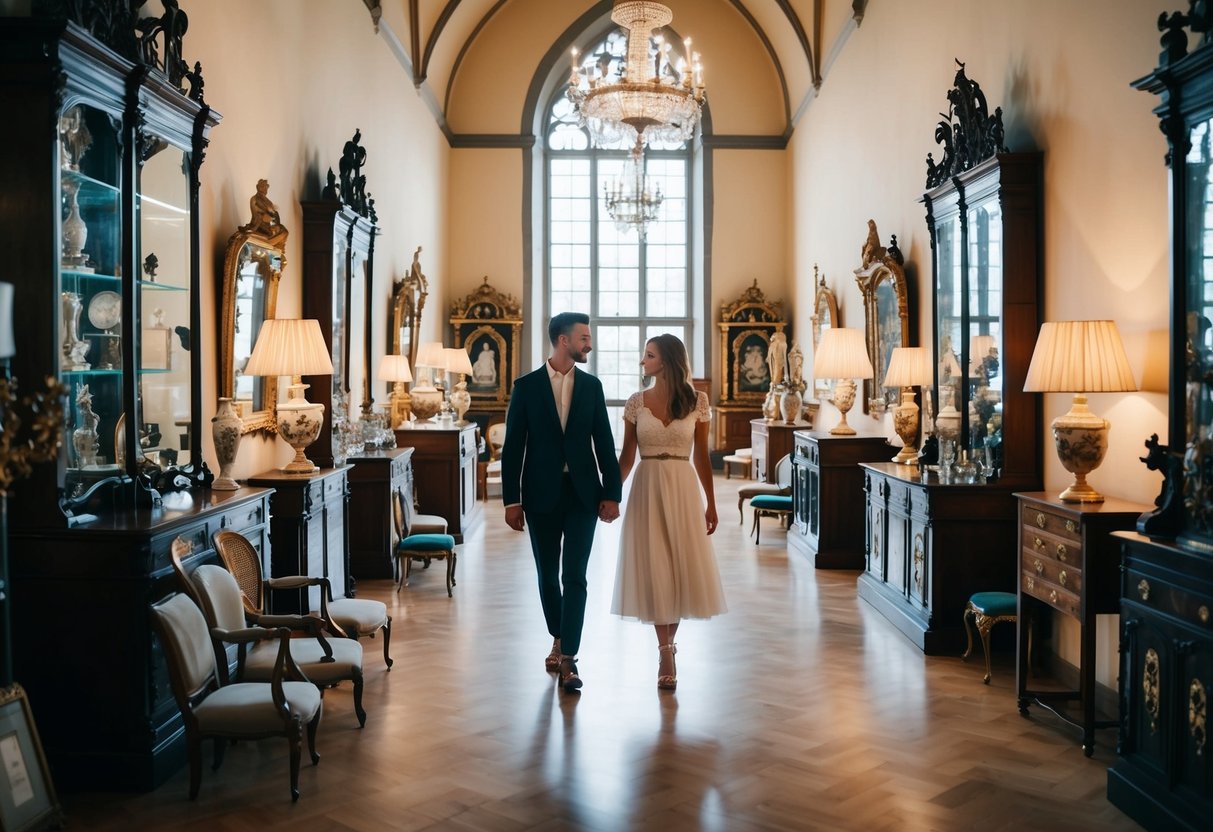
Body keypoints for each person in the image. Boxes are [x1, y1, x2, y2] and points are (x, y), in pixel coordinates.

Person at [502, 312, 622, 692]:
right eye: (584, 337)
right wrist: (511, 500)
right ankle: (558, 634)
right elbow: (512, 448)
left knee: (575, 576)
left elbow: (605, 442)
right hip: (540, 495)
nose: (590, 344)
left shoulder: (592, 387)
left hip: (584, 494)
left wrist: (612, 493)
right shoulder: (526, 387)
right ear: (563, 340)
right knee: (547, 574)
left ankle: (568, 654)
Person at [612, 334, 726, 690]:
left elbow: (702, 456)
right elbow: (626, 457)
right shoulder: (636, 402)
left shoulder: (697, 401)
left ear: (666, 361)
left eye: (649, 355)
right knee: (655, 565)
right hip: (646, 487)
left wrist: (711, 502)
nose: (642, 361)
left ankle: (669, 646)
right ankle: (665, 649)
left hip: (682, 488)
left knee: (678, 566)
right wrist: (609, 495)